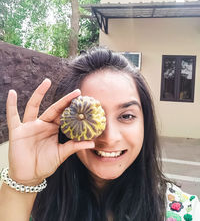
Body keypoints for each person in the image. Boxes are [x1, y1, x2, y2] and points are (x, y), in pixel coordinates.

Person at [0, 47, 199, 221]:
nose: (109, 138)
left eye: (127, 116)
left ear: (145, 123)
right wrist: (22, 185)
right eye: (92, 117)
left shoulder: (183, 212)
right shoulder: (33, 205)